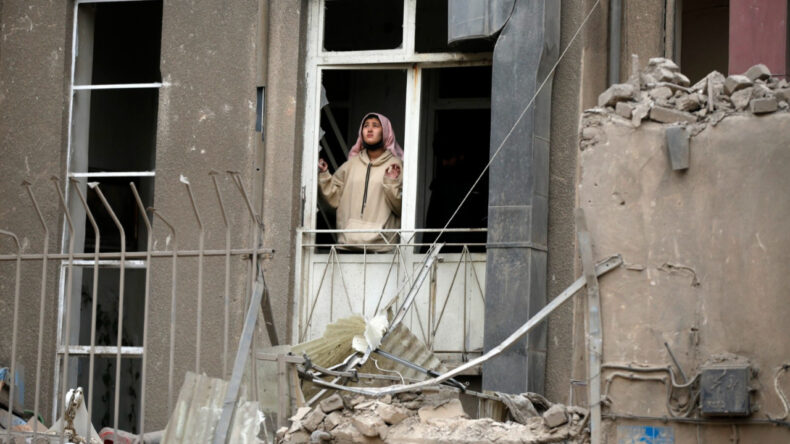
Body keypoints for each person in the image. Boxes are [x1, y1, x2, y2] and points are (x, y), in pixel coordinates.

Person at [318, 113, 403, 250]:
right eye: (366, 126)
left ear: (386, 132)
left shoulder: (396, 166)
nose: (369, 129)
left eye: (375, 126)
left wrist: (391, 183)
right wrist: (323, 175)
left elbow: (402, 208)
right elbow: (333, 198)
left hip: (382, 248)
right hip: (348, 244)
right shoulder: (350, 165)